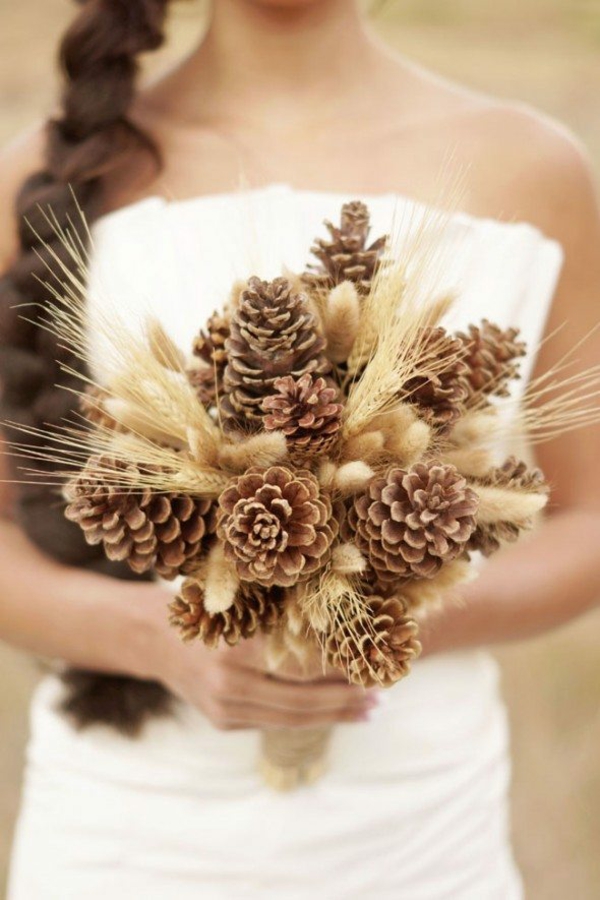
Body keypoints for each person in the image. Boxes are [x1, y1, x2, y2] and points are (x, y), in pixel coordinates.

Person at [1, 0, 599, 897]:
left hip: (420, 837)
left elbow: (589, 518)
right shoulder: (45, 171)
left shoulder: (537, 168)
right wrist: (165, 643)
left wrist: (373, 617)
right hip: (124, 838)